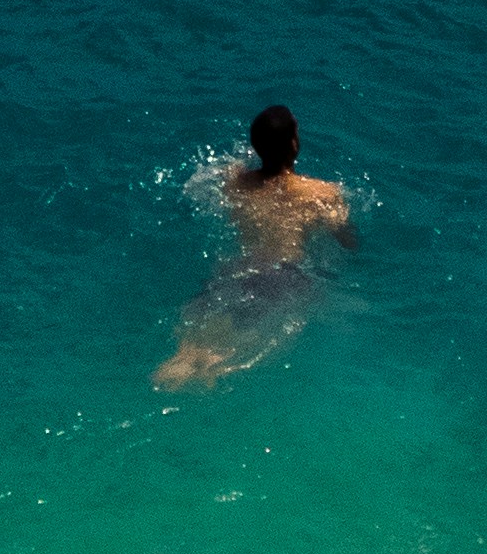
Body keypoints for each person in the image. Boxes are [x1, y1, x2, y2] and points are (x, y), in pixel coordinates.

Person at [152, 103, 355, 391]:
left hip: (238, 267)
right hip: (284, 276)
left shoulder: (233, 182)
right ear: (294, 144)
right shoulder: (322, 193)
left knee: (194, 341)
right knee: (233, 347)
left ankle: (181, 364)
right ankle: (207, 372)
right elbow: (347, 242)